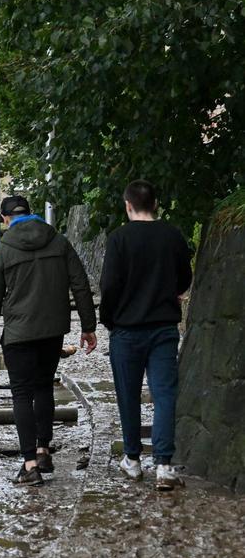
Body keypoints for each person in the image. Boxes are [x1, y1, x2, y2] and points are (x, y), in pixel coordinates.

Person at [0, 195, 98, 486]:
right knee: (44, 386)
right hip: (52, 331)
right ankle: (43, 450)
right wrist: (88, 326)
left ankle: (30, 464)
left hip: (18, 335)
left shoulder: (2, 252)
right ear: (30, 214)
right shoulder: (59, 243)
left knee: (21, 394)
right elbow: (81, 285)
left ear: (6, 219)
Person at [100, 180, 193, 491]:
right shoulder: (172, 235)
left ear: (128, 205)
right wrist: (171, 293)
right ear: (155, 204)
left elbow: (109, 285)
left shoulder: (119, 239)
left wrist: (108, 319)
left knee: (128, 395)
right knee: (164, 395)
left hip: (126, 331)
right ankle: (164, 466)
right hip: (164, 328)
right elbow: (185, 276)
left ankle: (133, 460)